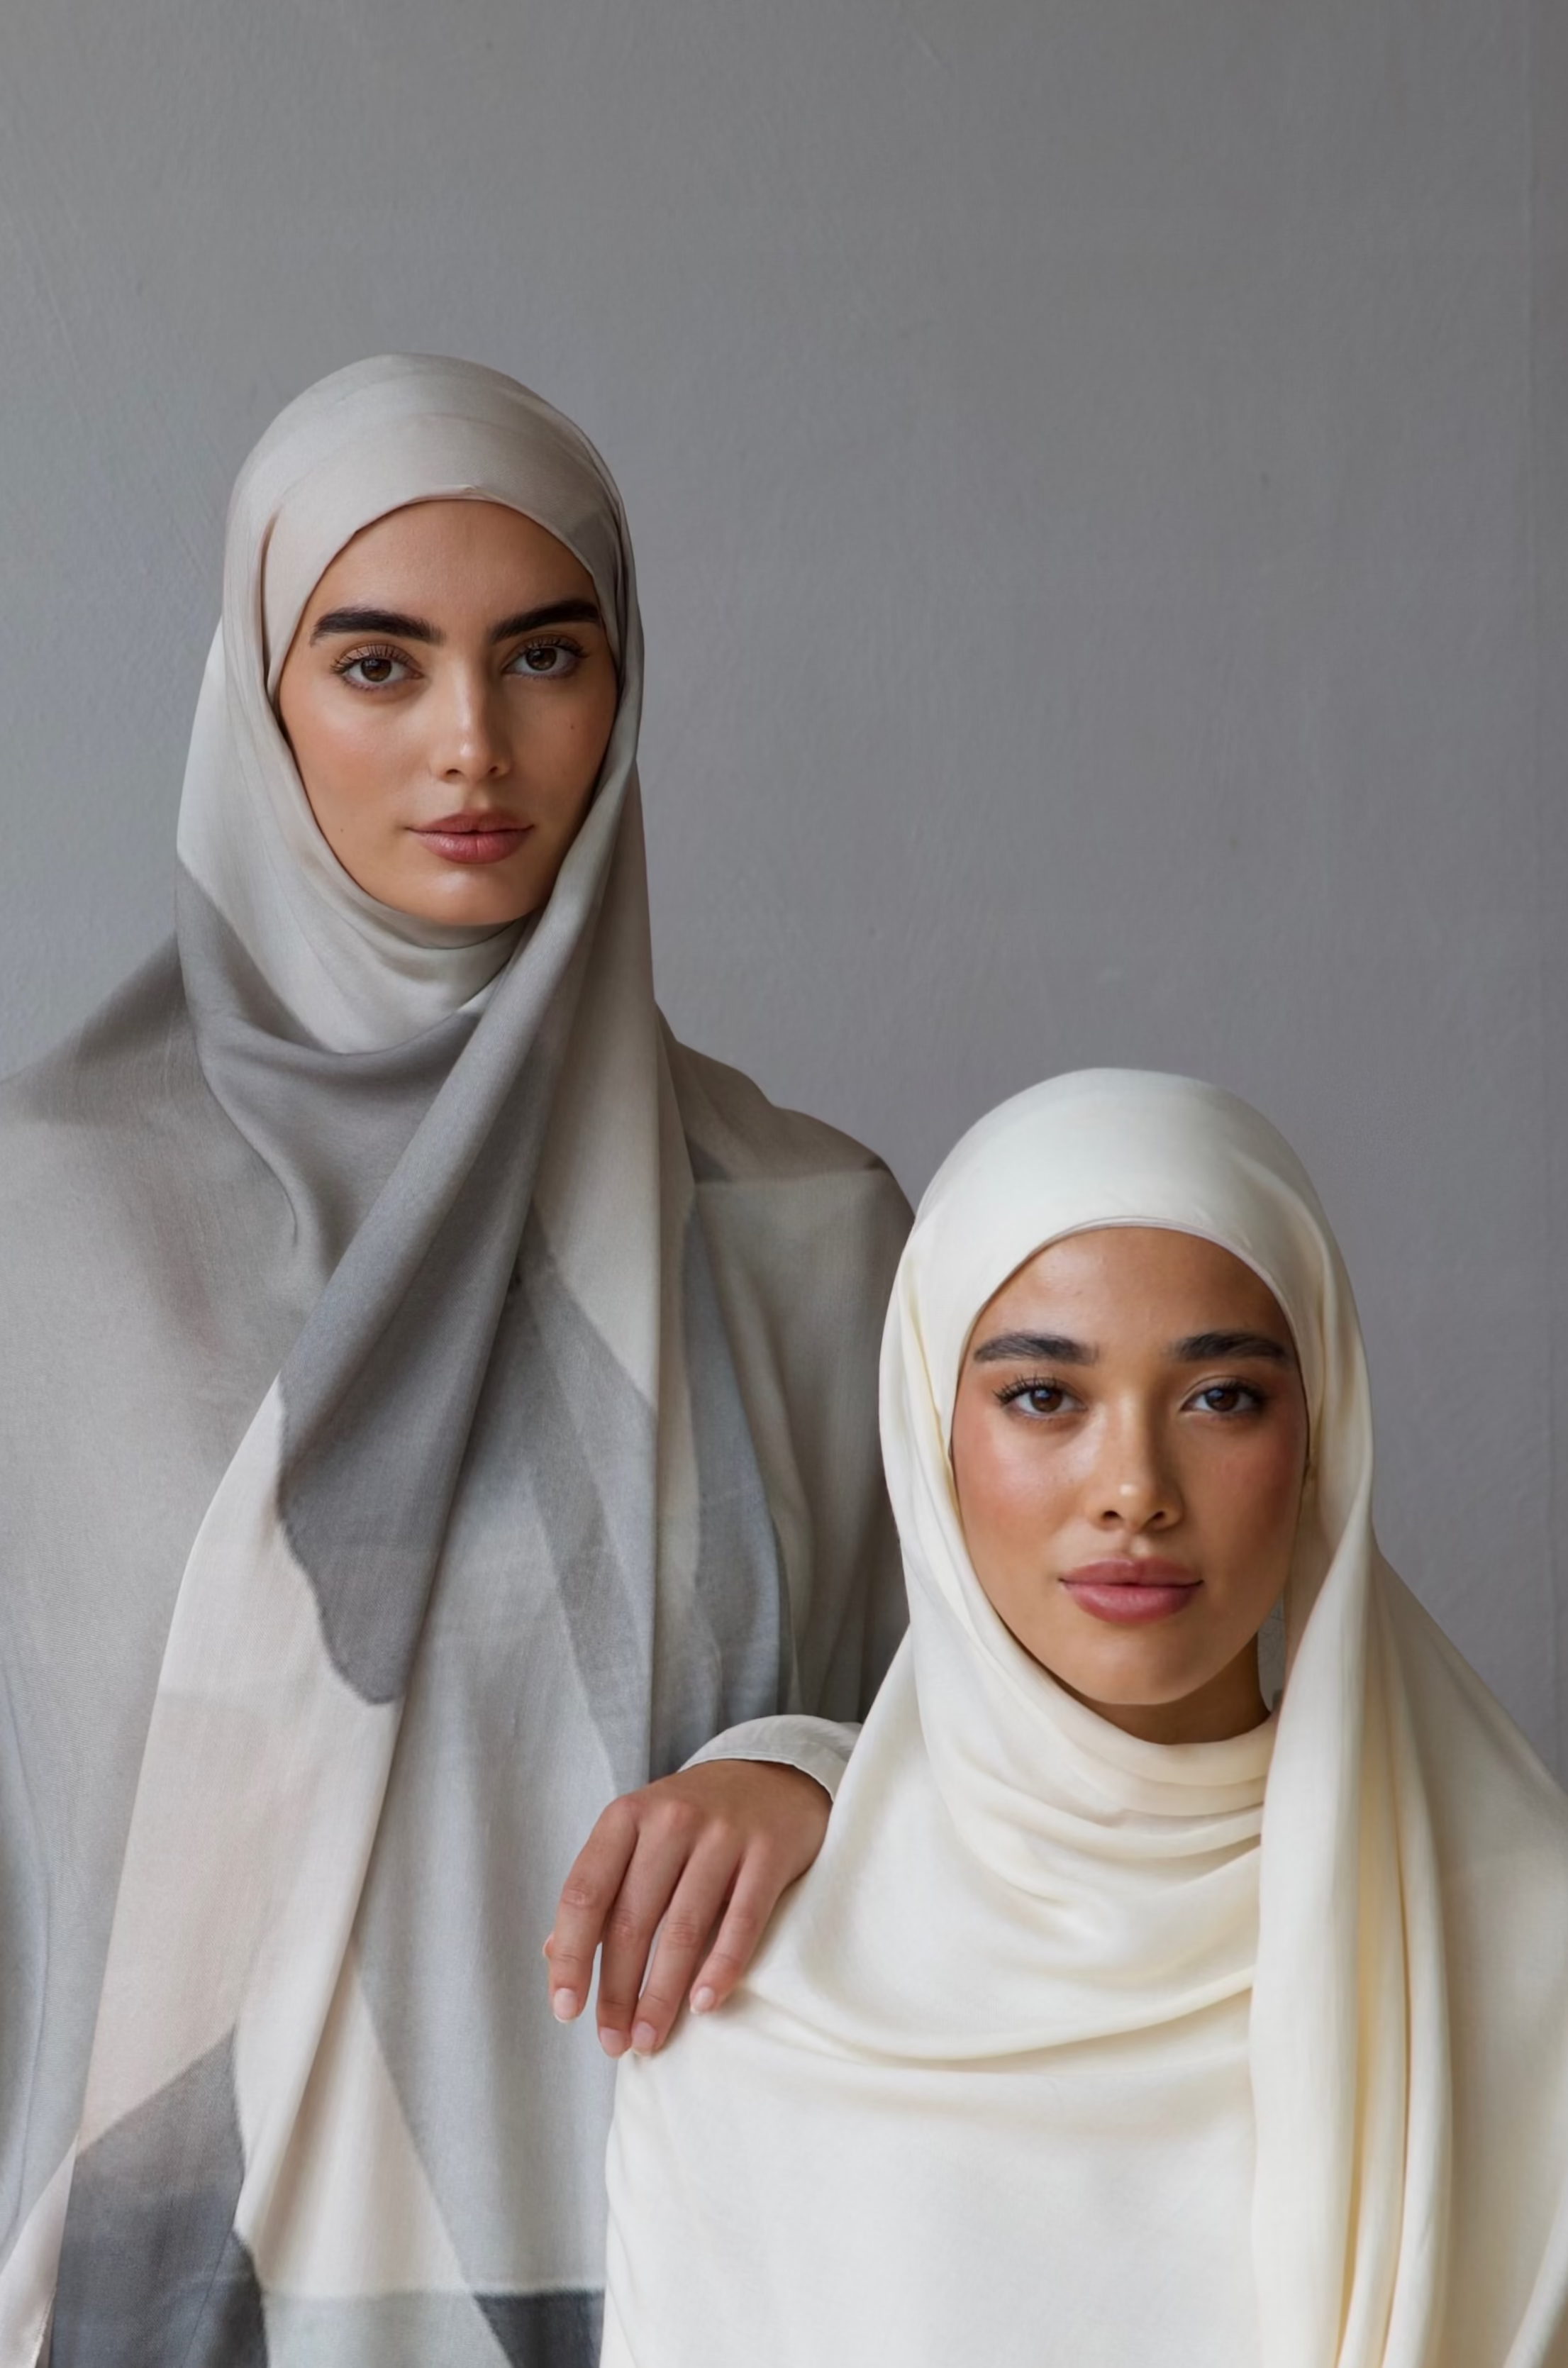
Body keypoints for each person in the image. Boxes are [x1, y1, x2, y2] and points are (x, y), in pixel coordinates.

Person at [0, 355, 909, 2367]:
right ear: (259, 695)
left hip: (689, 2292)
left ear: (625, 687)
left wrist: (817, 1776)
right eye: (380, 664)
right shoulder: (37, 1239)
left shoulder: (810, 1239)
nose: (472, 746)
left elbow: (1047, 1773)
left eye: (545, 656)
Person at [603, 1068, 1568, 2368]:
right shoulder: (750, 1988)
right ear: (928, 1435)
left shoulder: (1515, 1943)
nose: (1133, 1489)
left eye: (1220, 1395)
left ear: (1321, 1425)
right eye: (1043, 1397)